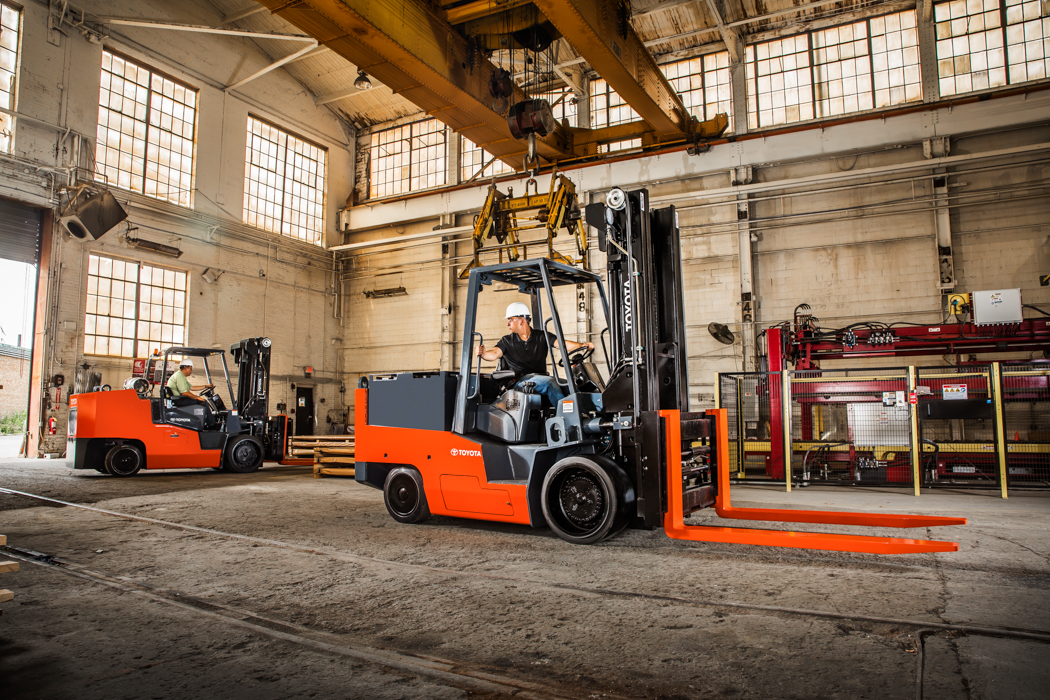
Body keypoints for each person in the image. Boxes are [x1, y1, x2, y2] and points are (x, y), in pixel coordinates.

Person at [475, 302, 595, 406]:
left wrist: (582, 345)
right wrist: (484, 354)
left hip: (542, 378)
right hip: (519, 382)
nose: (508, 324)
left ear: (522, 320)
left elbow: (563, 345)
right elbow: (495, 353)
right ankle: (566, 418)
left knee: (568, 385)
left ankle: (587, 413)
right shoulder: (507, 341)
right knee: (550, 383)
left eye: (510, 320)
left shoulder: (541, 336)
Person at [166, 359, 215, 424]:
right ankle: (211, 424)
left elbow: (191, 387)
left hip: (178, 400)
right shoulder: (179, 376)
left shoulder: (180, 375)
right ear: (186, 368)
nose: (191, 371)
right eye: (190, 369)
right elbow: (184, 393)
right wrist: (197, 397)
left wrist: (206, 386)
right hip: (179, 401)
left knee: (201, 401)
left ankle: (205, 422)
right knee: (203, 402)